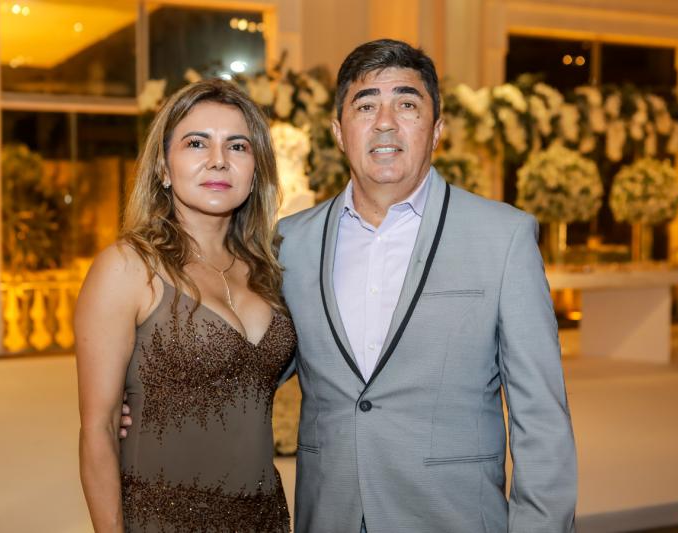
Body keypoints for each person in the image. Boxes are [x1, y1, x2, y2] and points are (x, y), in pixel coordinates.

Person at [122, 39, 577, 532]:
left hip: (452, 516)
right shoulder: (290, 243)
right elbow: (255, 362)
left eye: (407, 104)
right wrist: (155, 397)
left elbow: (541, 417)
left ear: (437, 130)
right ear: (339, 132)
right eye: (365, 106)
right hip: (330, 514)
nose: (385, 122)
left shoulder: (503, 238)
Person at [76, 79, 296, 533]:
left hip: (264, 517)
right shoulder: (127, 267)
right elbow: (98, 430)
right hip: (162, 518)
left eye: (238, 146)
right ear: (163, 166)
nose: (218, 159)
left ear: (256, 170)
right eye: (197, 143)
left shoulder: (271, 268)